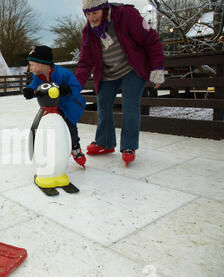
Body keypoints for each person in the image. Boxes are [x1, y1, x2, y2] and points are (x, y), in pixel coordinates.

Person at [75, 0, 165, 166]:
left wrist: (157, 68)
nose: (92, 18)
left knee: (129, 103)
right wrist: (75, 87)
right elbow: (85, 63)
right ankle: (105, 143)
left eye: (95, 13)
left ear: (104, 8)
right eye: (87, 14)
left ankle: (129, 146)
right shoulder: (88, 32)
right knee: (103, 104)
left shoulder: (126, 16)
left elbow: (151, 39)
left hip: (132, 68)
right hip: (108, 72)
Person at [23, 45, 87, 168]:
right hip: (50, 108)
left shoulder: (64, 73)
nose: (30, 69)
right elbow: (34, 87)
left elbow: (76, 86)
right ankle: (50, 149)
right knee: (46, 126)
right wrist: (30, 91)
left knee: (70, 127)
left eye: (32, 64)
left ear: (42, 64)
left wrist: (67, 89)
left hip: (69, 107)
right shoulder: (38, 78)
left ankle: (75, 148)